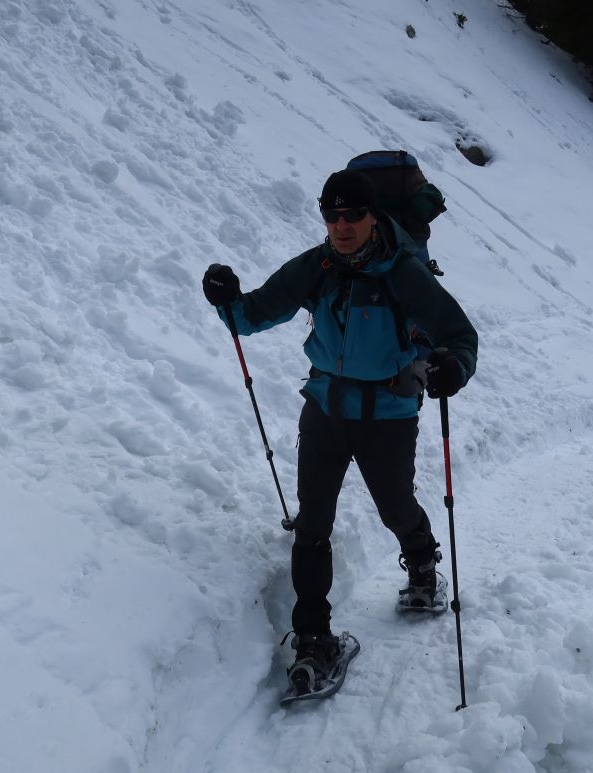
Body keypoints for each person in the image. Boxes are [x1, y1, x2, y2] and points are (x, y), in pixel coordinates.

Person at [202, 169, 477, 690]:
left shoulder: (404, 273)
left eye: (353, 215)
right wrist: (226, 299)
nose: (342, 225)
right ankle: (314, 640)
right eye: (332, 215)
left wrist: (453, 367)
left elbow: (460, 334)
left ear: (374, 217)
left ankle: (422, 565)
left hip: (388, 414)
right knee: (312, 525)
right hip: (326, 409)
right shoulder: (318, 266)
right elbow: (253, 314)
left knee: (395, 505)